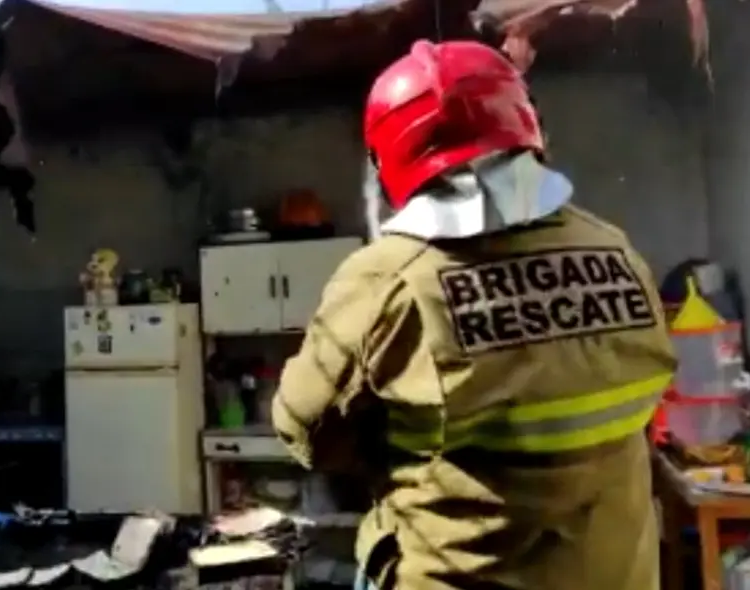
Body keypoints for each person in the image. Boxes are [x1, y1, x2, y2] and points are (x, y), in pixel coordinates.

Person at [271, 40, 677, 590]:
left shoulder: (387, 279)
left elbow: (306, 432)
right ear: (528, 127)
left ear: (387, 161)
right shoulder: (616, 251)